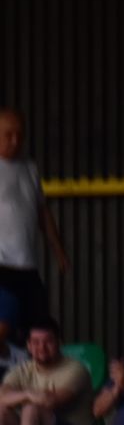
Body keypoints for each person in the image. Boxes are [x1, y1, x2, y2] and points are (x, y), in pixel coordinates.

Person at [0, 319, 91, 425]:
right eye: (35, 342)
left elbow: (51, 402)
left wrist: (20, 398)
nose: (41, 348)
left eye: (48, 342)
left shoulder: (75, 369)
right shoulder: (24, 369)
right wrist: (28, 394)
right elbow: (2, 396)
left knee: (31, 410)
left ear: (59, 343)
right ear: (28, 345)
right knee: (2, 410)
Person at [0, 109, 66, 329]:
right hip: (2, 263)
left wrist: (58, 251)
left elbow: (41, 211)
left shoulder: (30, 168)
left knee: (38, 326)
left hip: (27, 264)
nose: (15, 140)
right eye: (8, 135)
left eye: (20, 135)